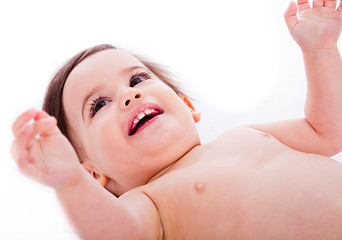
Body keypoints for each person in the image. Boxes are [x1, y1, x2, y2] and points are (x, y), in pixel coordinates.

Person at [10, 0, 342, 239]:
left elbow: (326, 132)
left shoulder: (246, 135)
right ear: (92, 172)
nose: (130, 96)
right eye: (99, 104)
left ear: (187, 105)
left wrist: (320, 51)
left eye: (137, 79)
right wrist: (70, 183)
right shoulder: (148, 204)